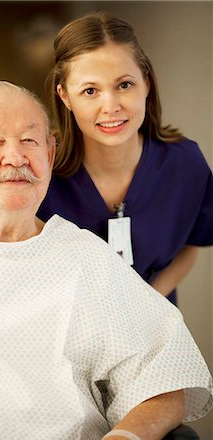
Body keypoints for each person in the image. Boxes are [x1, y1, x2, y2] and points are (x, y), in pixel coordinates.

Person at [0, 81, 212, 440]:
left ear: (51, 155)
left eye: (29, 141)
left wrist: (125, 439)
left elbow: (165, 372)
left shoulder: (86, 257)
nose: (15, 158)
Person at [37, 11, 213, 305]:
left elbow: (190, 244)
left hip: (151, 331)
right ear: (65, 96)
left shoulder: (184, 164)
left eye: (124, 85)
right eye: (90, 91)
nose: (111, 106)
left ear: (146, 83)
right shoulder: (36, 169)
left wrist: (145, 304)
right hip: (65, 339)